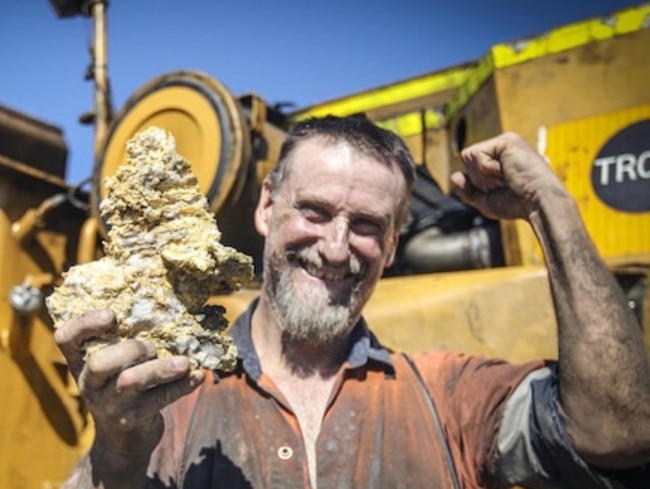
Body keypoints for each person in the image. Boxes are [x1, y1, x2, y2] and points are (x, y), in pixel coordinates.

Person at [54, 115, 649, 489]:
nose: (336, 248)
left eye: (366, 224)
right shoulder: (169, 399)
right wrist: (117, 451)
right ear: (267, 209)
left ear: (393, 245)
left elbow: (621, 431)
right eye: (313, 212)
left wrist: (551, 208)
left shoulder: (448, 398)